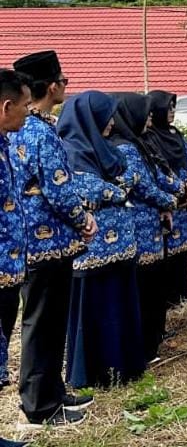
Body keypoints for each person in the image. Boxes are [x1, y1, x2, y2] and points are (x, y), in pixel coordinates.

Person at [9, 51, 94, 428]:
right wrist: (83, 218)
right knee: (43, 324)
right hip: (46, 244)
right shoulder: (39, 132)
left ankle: (52, 391)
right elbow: (58, 191)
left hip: (31, 242)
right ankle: (41, 404)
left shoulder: (22, 128)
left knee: (45, 321)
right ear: (52, 87)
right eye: (65, 80)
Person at [58, 91, 154, 388]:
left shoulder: (105, 149)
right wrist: (117, 190)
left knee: (120, 304)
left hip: (122, 247)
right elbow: (89, 189)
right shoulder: (69, 149)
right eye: (105, 116)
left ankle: (124, 368)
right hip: (93, 250)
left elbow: (130, 180)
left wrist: (118, 188)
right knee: (96, 309)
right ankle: (94, 374)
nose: (111, 123)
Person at [109, 93, 183, 365]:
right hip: (141, 229)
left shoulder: (137, 143)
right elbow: (143, 185)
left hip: (150, 226)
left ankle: (152, 339)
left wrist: (177, 188)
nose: (150, 117)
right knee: (147, 288)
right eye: (146, 113)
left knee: (153, 287)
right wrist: (172, 199)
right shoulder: (126, 148)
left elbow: (156, 175)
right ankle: (146, 347)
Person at [0, 70, 34, 447]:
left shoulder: (5, 144)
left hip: (9, 271)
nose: (28, 112)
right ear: (7, 106)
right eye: (25, 105)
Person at [143, 91, 187, 315]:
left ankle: (182, 299)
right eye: (167, 108)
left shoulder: (176, 133)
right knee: (168, 254)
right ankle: (168, 302)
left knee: (182, 255)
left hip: (186, 201)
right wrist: (180, 190)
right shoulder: (149, 137)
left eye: (174, 108)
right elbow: (158, 170)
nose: (172, 112)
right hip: (170, 201)